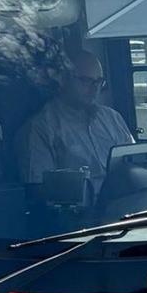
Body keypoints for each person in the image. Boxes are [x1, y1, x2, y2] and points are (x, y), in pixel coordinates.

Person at [16, 49, 134, 192]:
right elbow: (39, 191)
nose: (94, 88)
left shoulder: (112, 118)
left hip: (126, 203)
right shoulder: (40, 128)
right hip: (84, 212)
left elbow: (135, 165)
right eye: (86, 81)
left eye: (99, 82)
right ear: (62, 79)